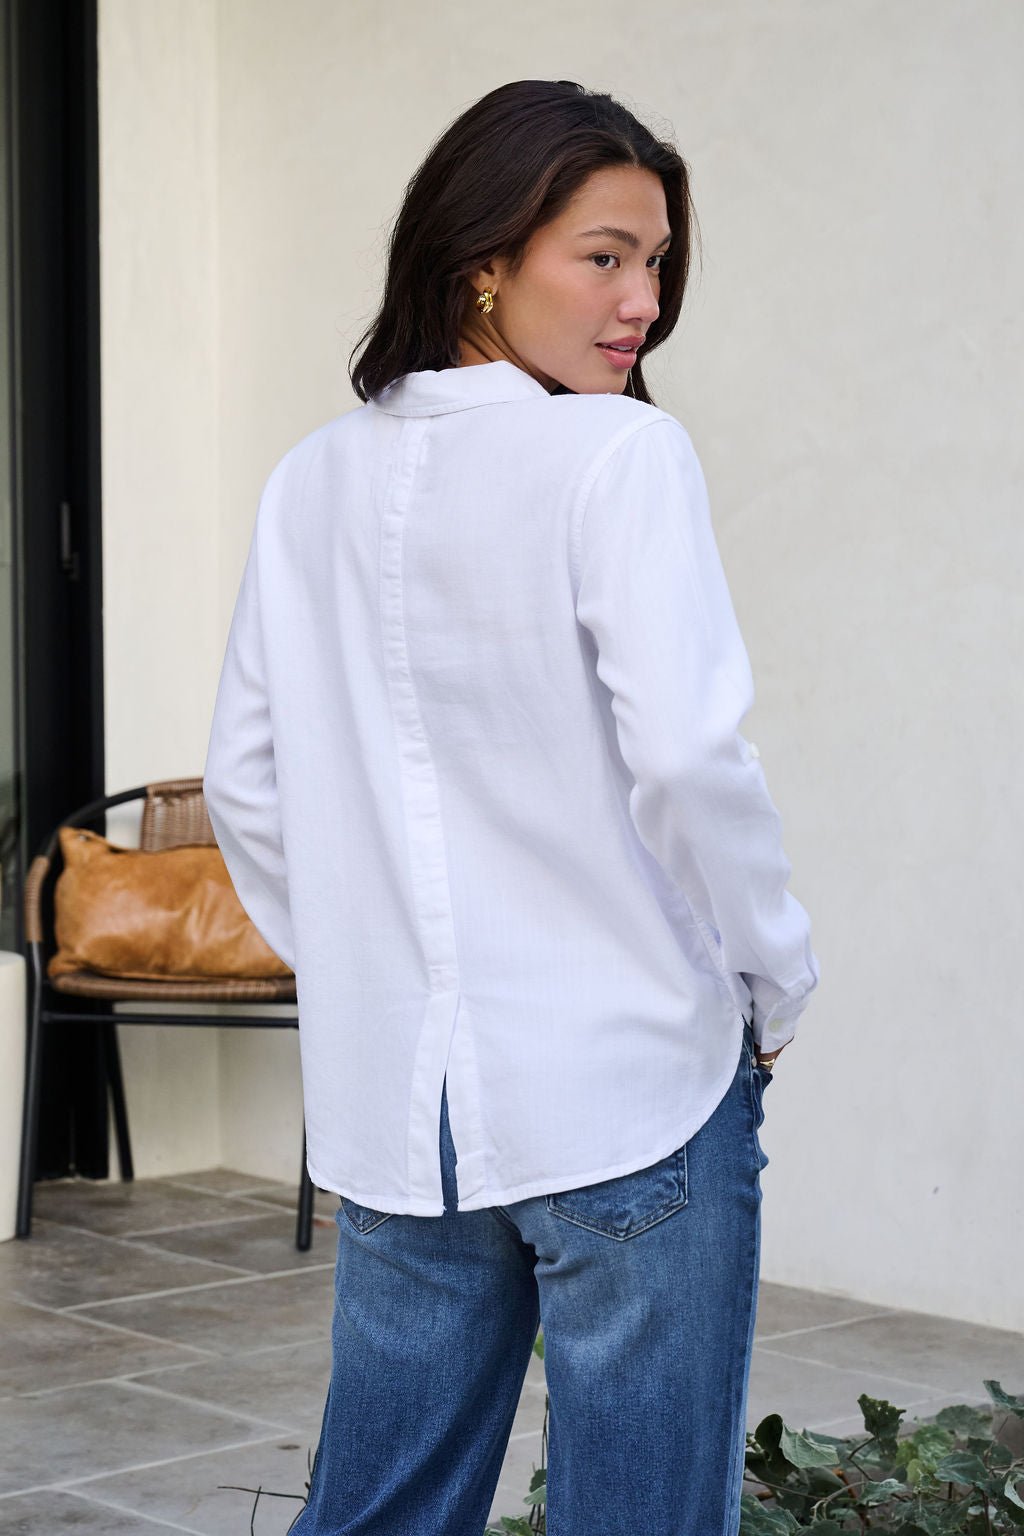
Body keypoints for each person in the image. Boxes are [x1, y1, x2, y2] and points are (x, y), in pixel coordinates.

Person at [203, 78, 820, 1536]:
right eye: (602, 256)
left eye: (657, 263)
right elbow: (683, 756)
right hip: (632, 1093)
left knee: (377, 1513)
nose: (643, 303)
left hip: (396, 1114)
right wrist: (772, 971)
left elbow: (246, 782)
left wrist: (374, 965)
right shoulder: (620, 456)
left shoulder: (310, 481)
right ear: (483, 258)